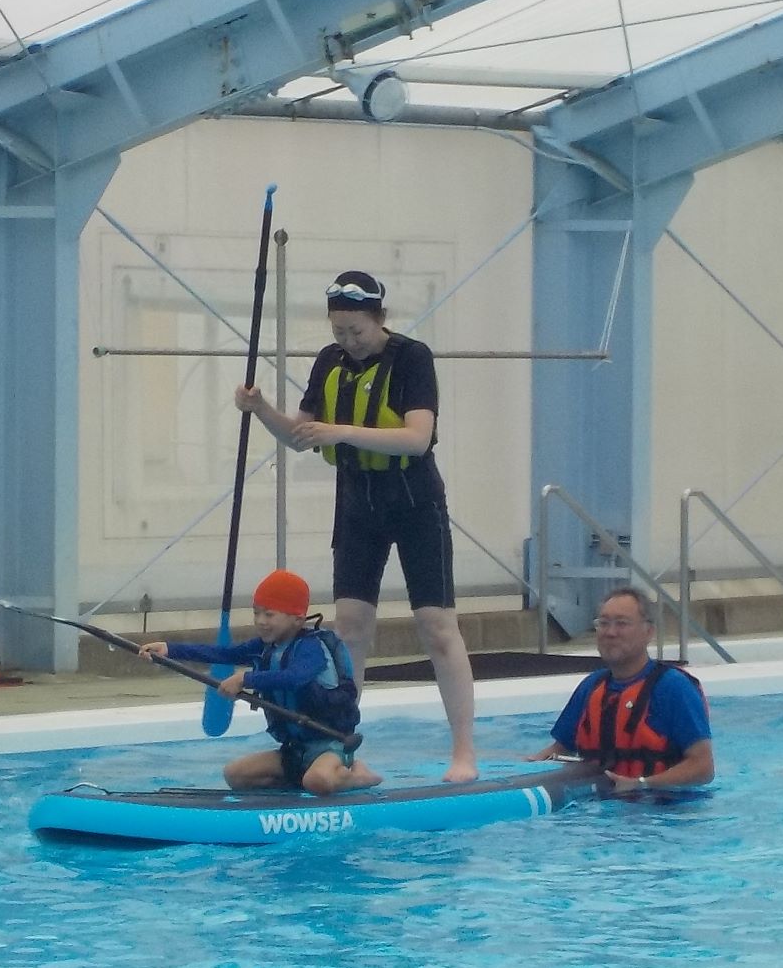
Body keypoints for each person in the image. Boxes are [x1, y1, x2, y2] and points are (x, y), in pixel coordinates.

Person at [234, 270, 479, 784]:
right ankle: (339, 747)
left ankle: (463, 753)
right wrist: (260, 411)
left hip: (415, 500)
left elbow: (416, 438)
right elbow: (300, 436)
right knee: (349, 631)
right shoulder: (329, 362)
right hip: (357, 502)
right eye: (340, 331)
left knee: (437, 628)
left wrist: (340, 430)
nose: (348, 341)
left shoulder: (412, 358)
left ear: (380, 319)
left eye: (357, 331)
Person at [138, 569, 380, 795]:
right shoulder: (265, 648)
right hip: (294, 750)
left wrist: (246, 678)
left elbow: (294, 678)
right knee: (235, 775)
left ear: (297, 618)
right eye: (256, 612)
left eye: (269, 614)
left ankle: (357, 774)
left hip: (330, 746)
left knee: (318, 781)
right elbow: (224, 654)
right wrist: (170, 650)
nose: (260, 621)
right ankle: (296, 787)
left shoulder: (312, 648)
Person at [531, 587, 715, 792]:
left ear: (649, 632)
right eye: (603, 623)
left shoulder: (673, 687)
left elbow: (703, 767)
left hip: (665, 810)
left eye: (622, 623)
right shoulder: (591, 687)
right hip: (600, 812)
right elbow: (555, 752)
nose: (610, 632)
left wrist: (641, 784)